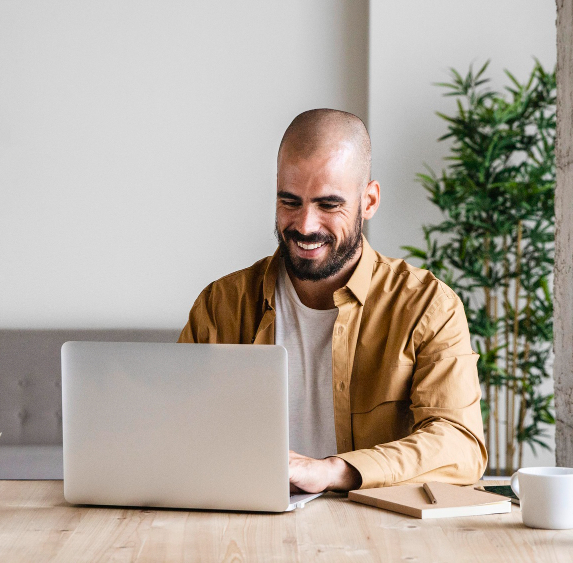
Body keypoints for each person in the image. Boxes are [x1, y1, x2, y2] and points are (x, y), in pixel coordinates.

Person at [178, 108, 487, 493]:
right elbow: (176, 434)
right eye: (290, 202)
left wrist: (332, 471)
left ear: (369, 201)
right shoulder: (220, 305)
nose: (305, 226)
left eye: (328, 205)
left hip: (379, 540)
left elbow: (460, 446)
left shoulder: (428, 306)